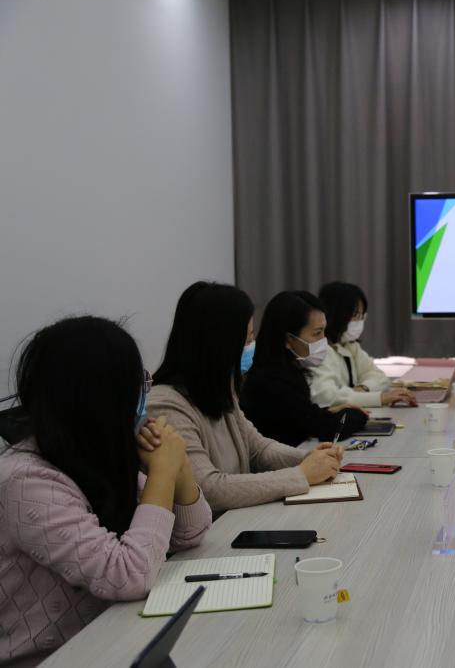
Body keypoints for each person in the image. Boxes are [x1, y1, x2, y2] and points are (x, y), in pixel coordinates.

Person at [0, 317, 211, 665]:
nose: (144, 393)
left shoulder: (96, 450)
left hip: (117, 637)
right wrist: (162, 472)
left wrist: (179, 466)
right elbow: (128, 575)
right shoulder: (25, 481)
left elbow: (192, 532)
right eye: (137, 383)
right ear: (103, 397)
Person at [149, 282, 346, 512]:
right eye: (247, 340)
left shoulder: (219, 390)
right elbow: (208, 488)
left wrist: (311, 458)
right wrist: (301, 474)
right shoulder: (165, 405)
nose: (252, 347)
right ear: (219, 345)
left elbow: (258, 449)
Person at [241, 290, 368, 446]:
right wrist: (358, 415)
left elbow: (301, 415)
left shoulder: (286, 369)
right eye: (317, 333)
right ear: (288, 339)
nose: (324, 340)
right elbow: (326, 427)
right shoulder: (271, 381)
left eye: (324, 331)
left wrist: (328, 411)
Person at [309, 281, 416, 409]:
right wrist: (380, 398)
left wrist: (362, 389)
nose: (360, 321)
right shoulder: (319, 351)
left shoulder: (350, 347)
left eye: (361, 315)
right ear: (336, 314)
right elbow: (327, 397)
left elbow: (381, 378)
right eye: (355, 315)